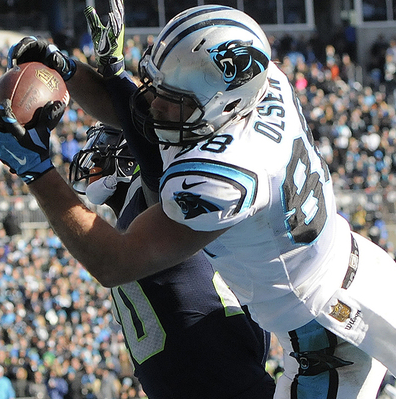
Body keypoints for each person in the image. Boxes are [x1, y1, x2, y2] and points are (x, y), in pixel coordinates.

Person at [0, 4, 396, 399]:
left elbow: (113, 261)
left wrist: (37, 170)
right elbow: (144, 110)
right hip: (354, 262)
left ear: (221, 105)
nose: (157, 106)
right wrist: (75, 70)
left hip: (319, 332)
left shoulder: (219, 176)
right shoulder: (261, 86)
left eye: (174, 102)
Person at [68, 123, 276, 398]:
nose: (91, 157)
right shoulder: (124, 226)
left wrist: (117, 83)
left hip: (225, 377)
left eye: (106, 142)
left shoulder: (150, 196)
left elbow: (150, 155)